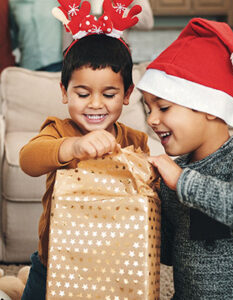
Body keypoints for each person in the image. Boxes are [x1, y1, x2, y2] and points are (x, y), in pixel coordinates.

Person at [137, 18, 233, 299]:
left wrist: (184, 183)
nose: (151, 119)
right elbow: (168, 253)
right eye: (147, 108)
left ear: (209, 107)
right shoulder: (174, 175)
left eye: (164, 107)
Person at [19, 2, 148, 299]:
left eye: (109, 93)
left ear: (127, 95)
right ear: (65, 92)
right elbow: (28, 160)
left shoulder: (135, 141)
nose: (95, 104)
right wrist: (71, 146)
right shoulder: (59, 131)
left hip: (114, 263)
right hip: (53, 262)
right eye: (82, 93)